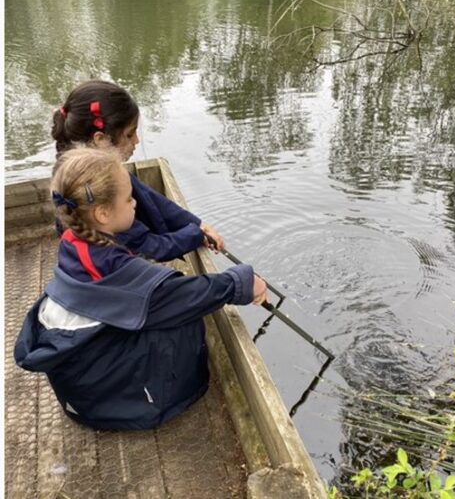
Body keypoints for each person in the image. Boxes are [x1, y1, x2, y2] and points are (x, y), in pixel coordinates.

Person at [14, 148, 267, 430]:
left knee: (164, 303)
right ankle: (159, 401)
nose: (136, 203)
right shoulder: (114, 265)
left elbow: (149, 246)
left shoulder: (76, 236)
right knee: (182, 318)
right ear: (103, 213)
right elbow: (186, 296)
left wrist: (194, 233)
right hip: (98, 404)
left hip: (79, 385)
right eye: (129, 198)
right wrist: (243, 283)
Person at [52, 80, 224, 261]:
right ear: (100, 139)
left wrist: (197, 224)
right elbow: (147, 247)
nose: (136, 141)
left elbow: (149, 197)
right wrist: (195, 235)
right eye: (129, 134)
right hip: (114, 276)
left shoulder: (93, 169)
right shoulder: (93, 191)